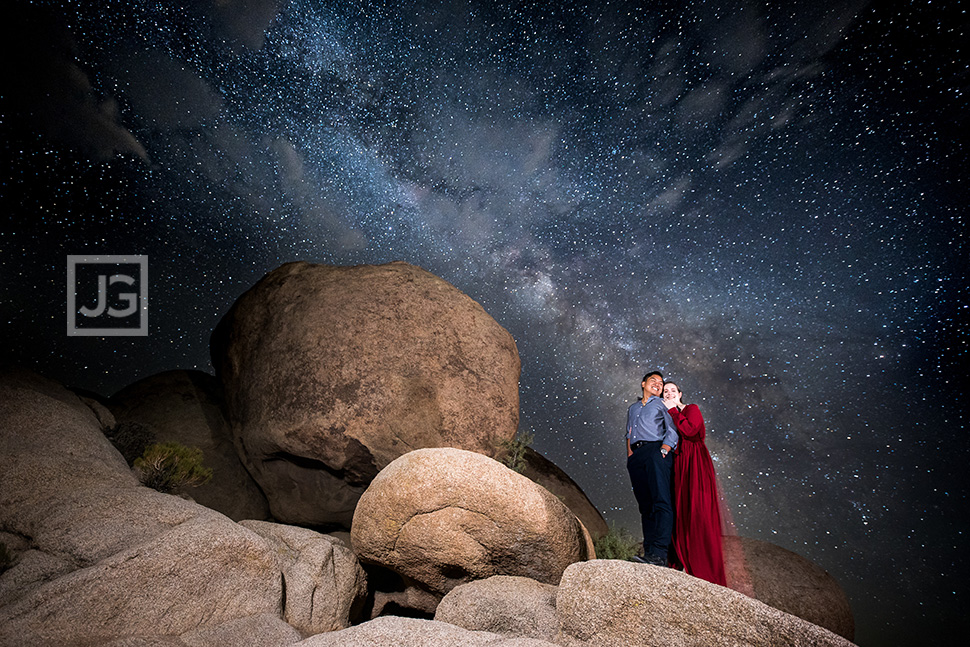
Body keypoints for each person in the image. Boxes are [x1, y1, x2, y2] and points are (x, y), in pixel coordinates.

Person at [663, 380, 727, 586]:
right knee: (679, 509)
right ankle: (677, 560)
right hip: (679, 463)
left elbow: (690, 430)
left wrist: (673, 410)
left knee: (697, 508)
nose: (669, 393)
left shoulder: (691, 408)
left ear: (680, 394)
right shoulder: (666, 413)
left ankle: (703, 567)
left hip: (695, 463)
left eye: (673, 390)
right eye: (665, 391)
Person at [626, 371, 679, 566]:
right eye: (653, 380)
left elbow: (672, 429)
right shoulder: (632, 409)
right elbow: (628, 434)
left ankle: (659, 554)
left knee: (661, 501)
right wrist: (630, 457)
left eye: (661, 382)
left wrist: (664, 449)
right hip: (637, 457)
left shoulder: (662, 404)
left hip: (657, 451)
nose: (658, 384)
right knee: (645, 506)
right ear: (643, 384)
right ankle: (649, 553)